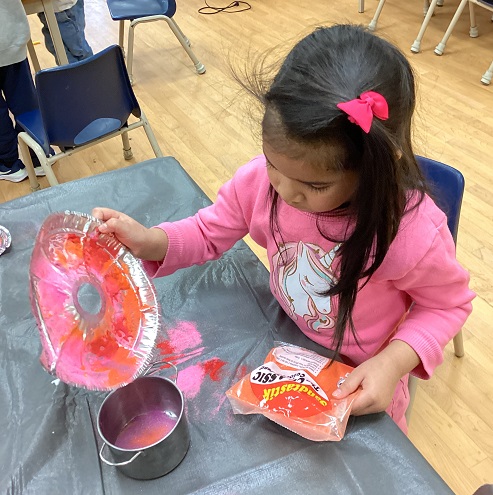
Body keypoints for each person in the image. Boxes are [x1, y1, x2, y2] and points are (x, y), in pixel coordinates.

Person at [92, 24, 474, 434]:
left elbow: (447, 305)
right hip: (285, 342)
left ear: (372, 167)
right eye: (273, 163)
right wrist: (150, 241)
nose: (284, 190)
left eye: (315, 185)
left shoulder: (407, 232)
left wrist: (394, 361)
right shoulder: (261, 180)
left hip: (361, 375)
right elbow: (207, 232)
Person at [0, 0, 45, 182]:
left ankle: (8, 163)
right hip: (9, 35)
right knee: (25, 100)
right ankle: (38, 155)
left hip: (10, 34)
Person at [38, 0, 93, 64]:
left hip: (64, 8)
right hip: (47, 8)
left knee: (78, 48)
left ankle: (91, 71)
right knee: (58, 51)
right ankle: (73, 72)